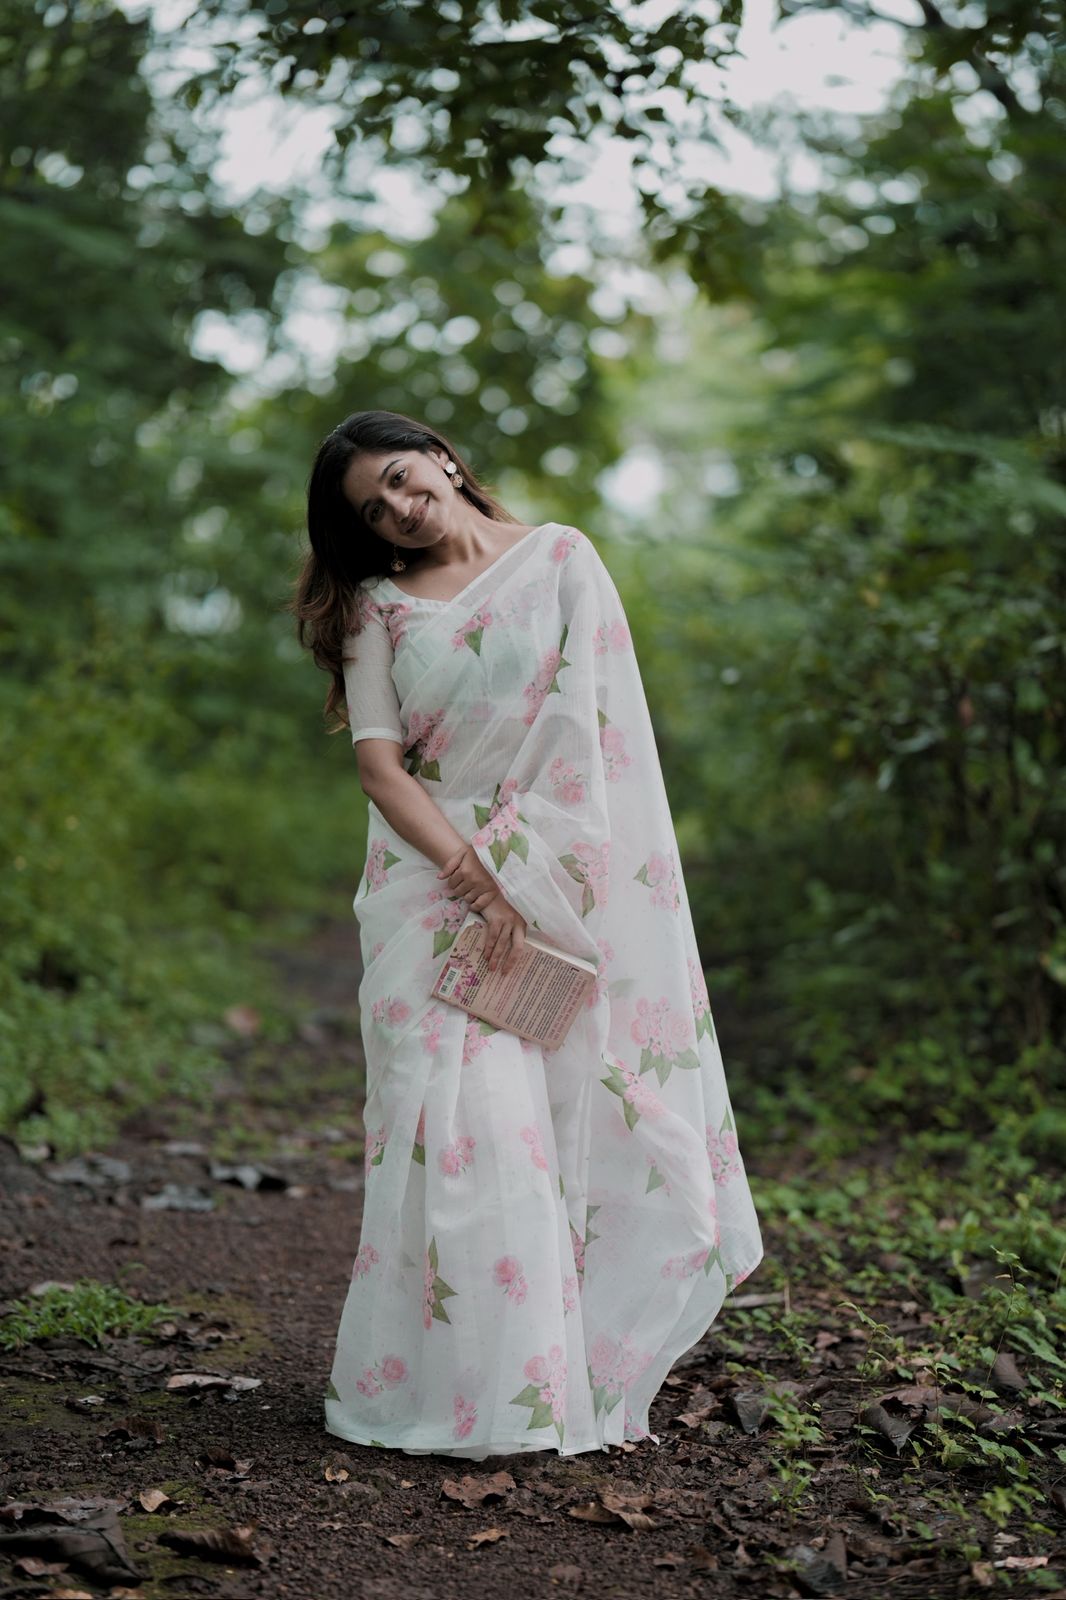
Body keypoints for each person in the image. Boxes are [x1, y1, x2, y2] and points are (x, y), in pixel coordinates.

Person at [293, 408, 764, 1460]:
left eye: (406, 480)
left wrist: (527, 878)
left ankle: (533, 1392)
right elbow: (380, 767)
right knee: (447, 1129)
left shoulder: (559, 560)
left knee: (540, 1120)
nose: (401, 510)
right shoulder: (377, 608)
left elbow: (595, 729)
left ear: (445, 460)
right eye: (375, 508)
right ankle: (446, 1390)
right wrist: (472, 879)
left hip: (553, 873)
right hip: (429, 887)